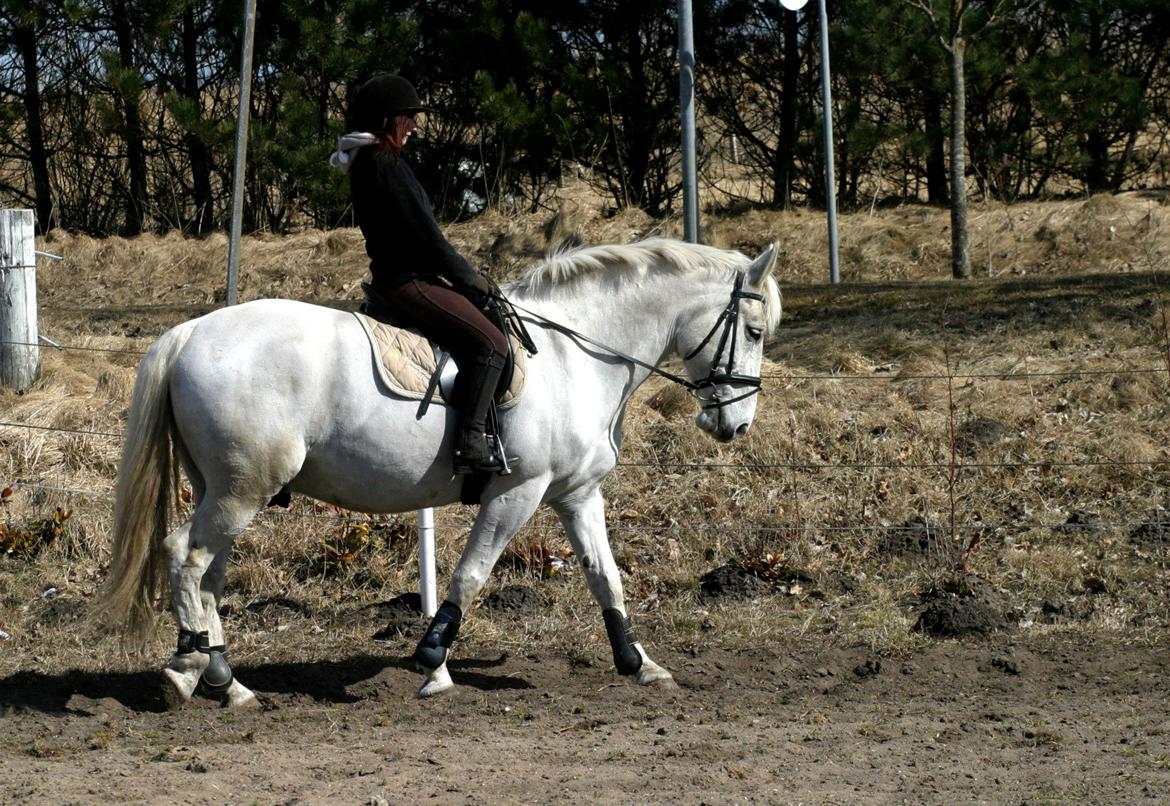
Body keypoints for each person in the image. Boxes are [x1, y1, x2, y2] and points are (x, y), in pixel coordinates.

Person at [331, 74, 511, 474]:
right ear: (387, 120)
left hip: (409, 274)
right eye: (408, 117)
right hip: (409, 280)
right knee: (492, 344)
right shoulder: (383, 164)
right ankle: (469, 443)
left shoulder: (376, 161)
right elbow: (426, 238)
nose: (414, 125)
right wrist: (469, 278)